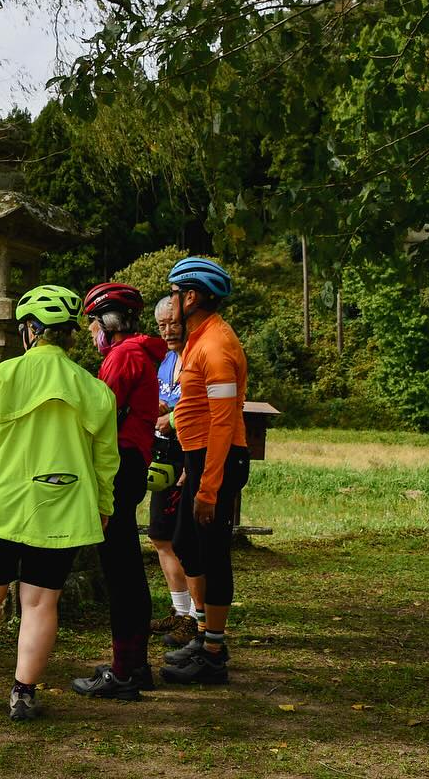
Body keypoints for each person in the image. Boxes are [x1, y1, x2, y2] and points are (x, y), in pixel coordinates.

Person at [0, 285, 119, 722]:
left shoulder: (3, 376)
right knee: (41, 602)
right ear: (70, 334)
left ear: (30, 331)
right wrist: (104, 506)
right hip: (63, 505)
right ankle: (24, 694)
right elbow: (105, 461)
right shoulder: (95, 390)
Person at [70, 283, 168, 701]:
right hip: (132, 462)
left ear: (109, 323)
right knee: (126, 566)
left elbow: (99, 411)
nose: (91, 331)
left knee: (121, 570)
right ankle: (135, 664)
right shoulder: (137, 353)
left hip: (120, 464)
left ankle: (124, 671)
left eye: (93, 322)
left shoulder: (123, 356)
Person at [159, 257, 249, 685]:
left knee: (212, 556)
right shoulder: (199, 338)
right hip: (198, 456)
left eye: (174, 294)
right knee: (183, 543)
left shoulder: (215, 346)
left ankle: (213, 653)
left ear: (189, 297)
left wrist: (209, 489)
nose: (171, 303)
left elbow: (224, 421)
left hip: (220, 457)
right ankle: (203, 633)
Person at [147, 294, 198, 648]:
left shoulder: (199, 357)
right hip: (164, 459)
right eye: (161, 325)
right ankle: (180, 613)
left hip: (193, 456)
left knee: (189, 543)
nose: (167, 331)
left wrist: (174, 418)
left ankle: (198, 618)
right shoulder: (165, 361)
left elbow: (208, 404)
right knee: (160, 536)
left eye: (173, 323)